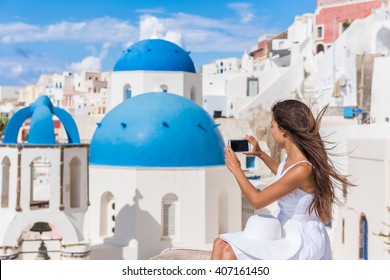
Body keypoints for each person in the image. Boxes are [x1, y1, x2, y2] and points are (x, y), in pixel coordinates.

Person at [211, 99, 353, 260]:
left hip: (299, 237)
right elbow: (283, 174)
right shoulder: (294, 160)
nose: (271, 130)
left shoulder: (302, 169)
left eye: (272, 126)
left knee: (229, 252)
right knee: (219, 243)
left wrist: (236, 170)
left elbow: (257, 201)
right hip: (282, 227)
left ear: (284, 130)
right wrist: (261, 154)